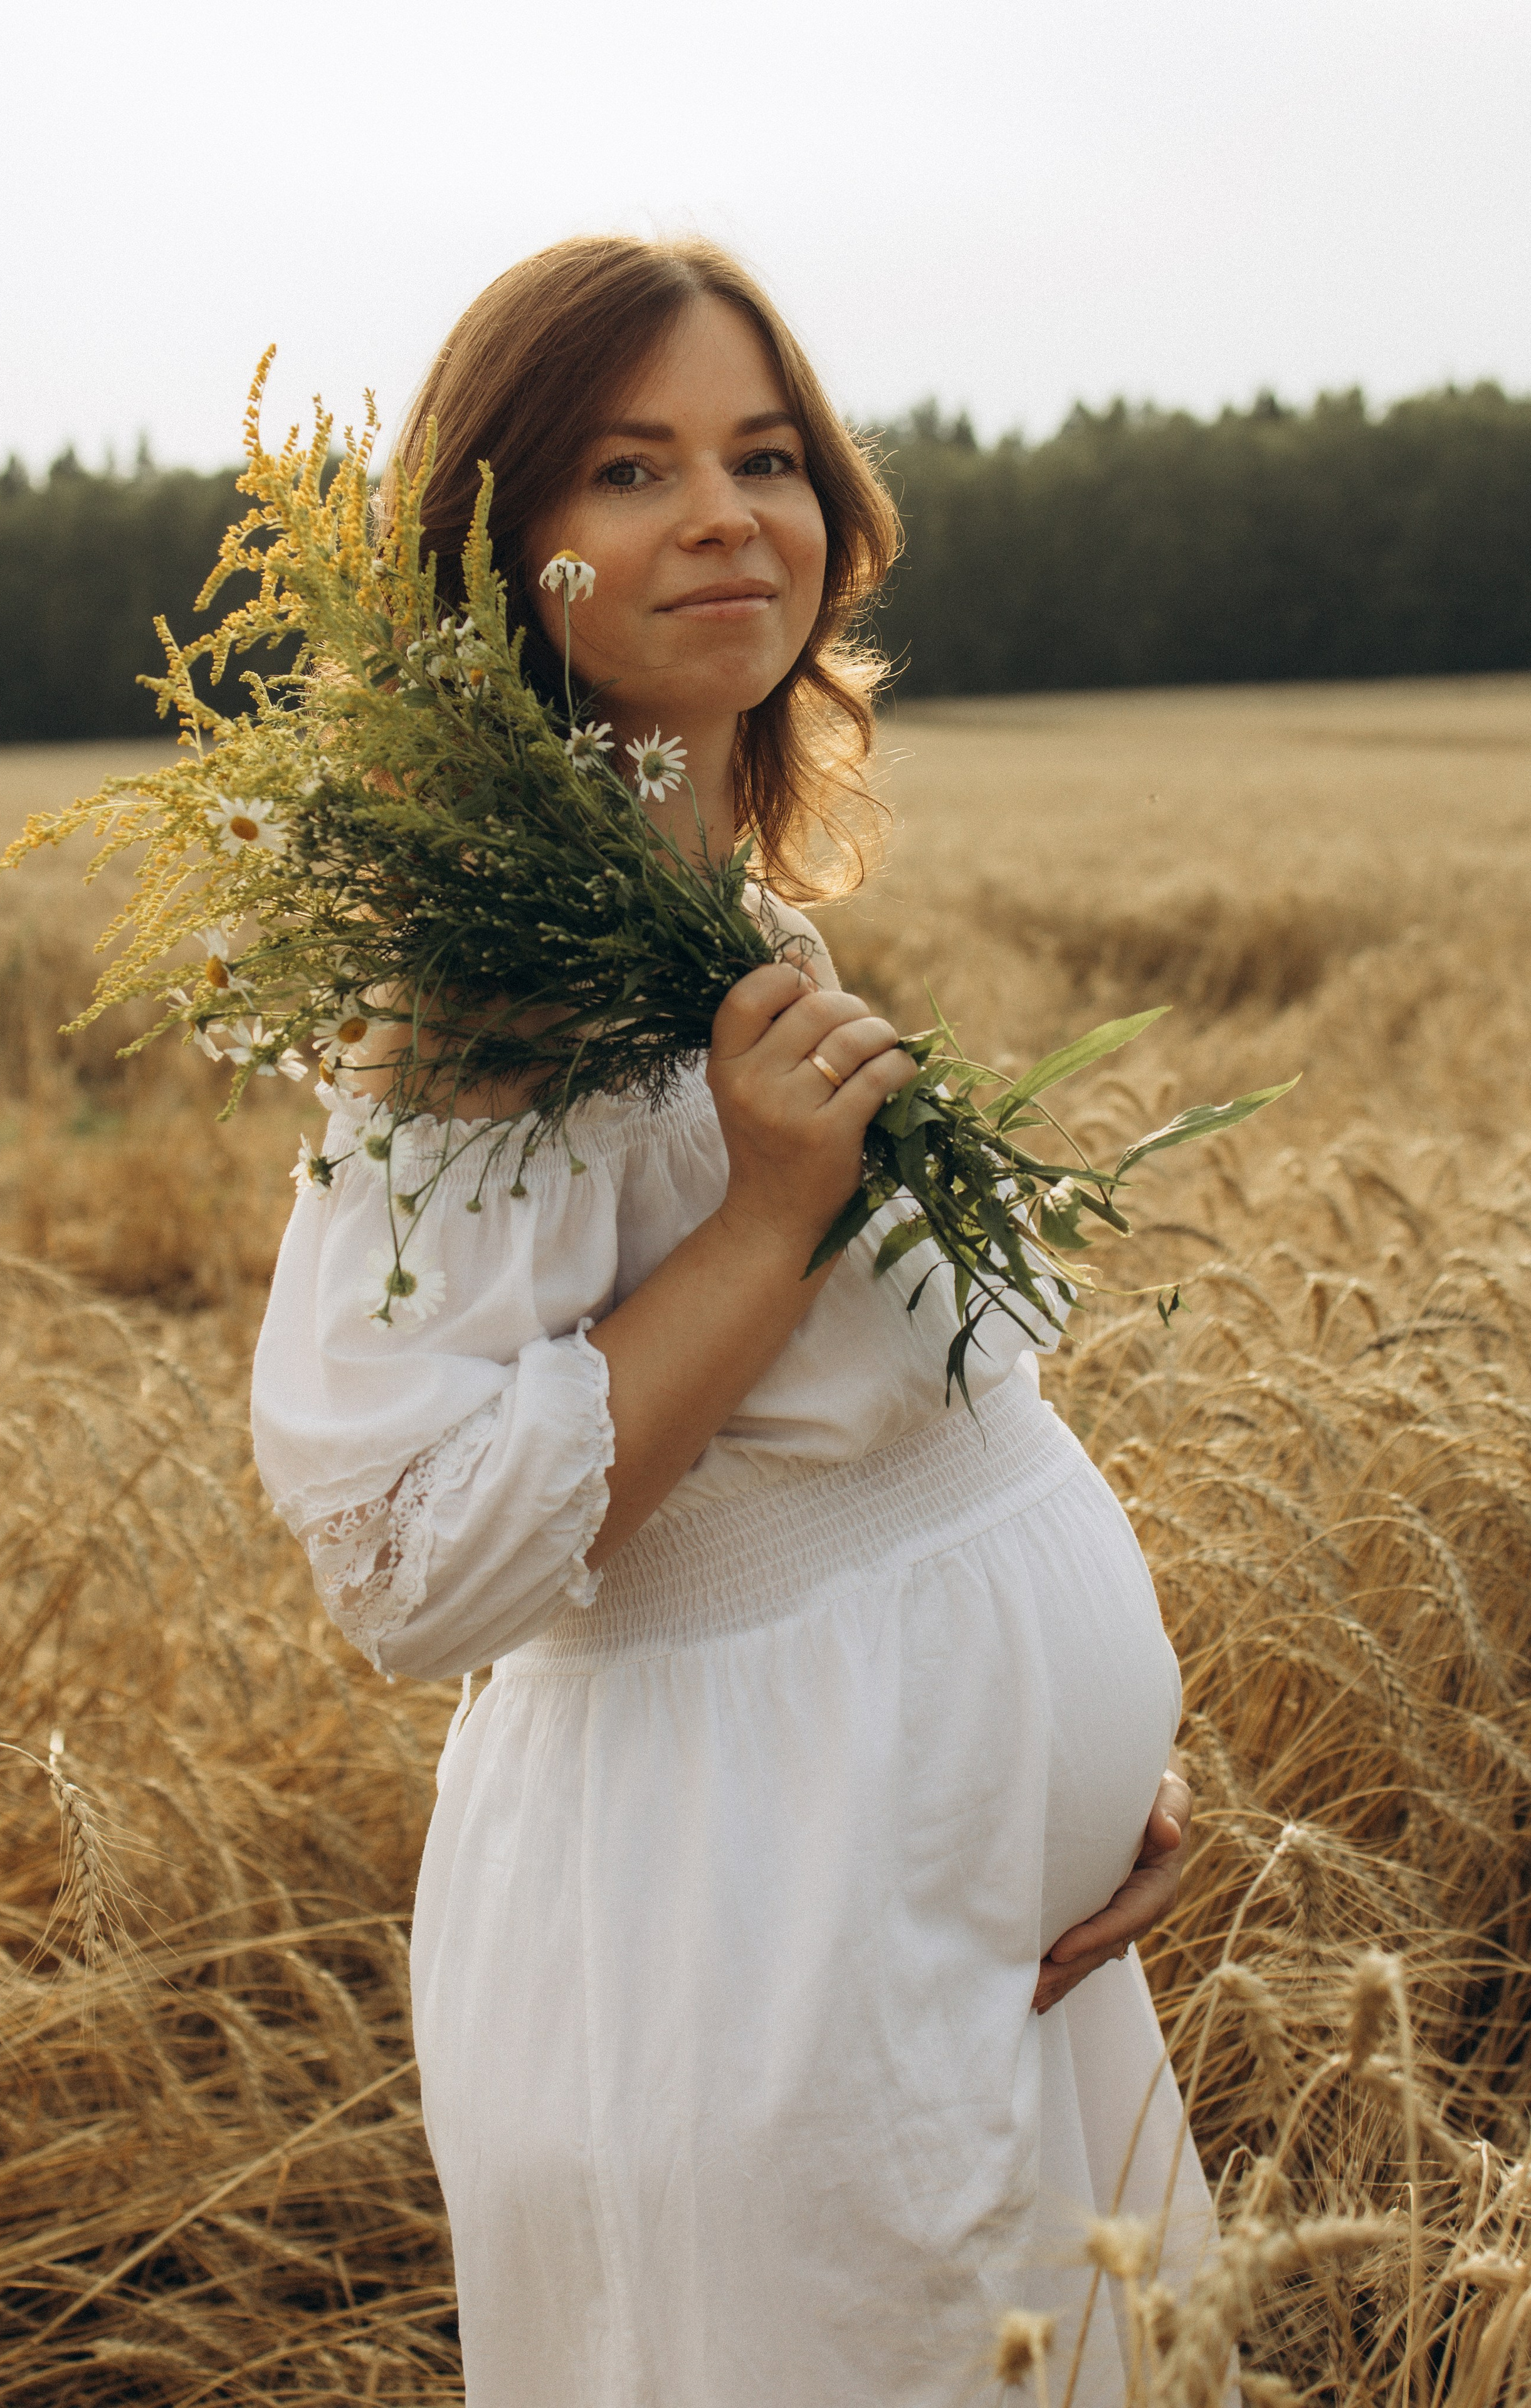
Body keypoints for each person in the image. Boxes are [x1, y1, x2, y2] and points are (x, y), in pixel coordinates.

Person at [251, 235, 1215, 2408]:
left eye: (764, 456)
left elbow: (901, 1449)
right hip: (750, 1947)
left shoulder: (714, 911)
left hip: (964, 1924)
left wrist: (1073, 1778)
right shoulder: (476, 987)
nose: (723, 514)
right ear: (504, 553)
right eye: (628, 465)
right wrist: (775, 1211)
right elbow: (407, 1562)